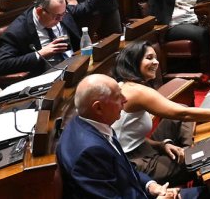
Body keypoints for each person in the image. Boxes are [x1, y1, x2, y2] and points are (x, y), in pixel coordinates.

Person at [112, 40, 210, 186]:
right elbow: (182, 114)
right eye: (149, 58)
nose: (156, 62)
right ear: (133, 62)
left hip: (143, 147)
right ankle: (194, 160)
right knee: (200, 161)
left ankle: (188, 150)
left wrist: (161, 145)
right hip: (133, 163)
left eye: (155, 57)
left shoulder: (127, 84)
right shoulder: (137, 91)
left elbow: (129, 135)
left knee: (181, 108)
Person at [57, 73, 198, 198]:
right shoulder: (89, 152)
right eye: (118, 96)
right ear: (98, 107)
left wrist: (151, 185)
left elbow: (125, 170)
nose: (125, 100)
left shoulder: (92, 124)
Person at [0, 0, 121, 79]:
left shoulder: (61, 12)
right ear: (40, 11)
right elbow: (2, 65)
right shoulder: (17, 31)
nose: (61, 19)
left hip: (76, 67)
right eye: (56, 16)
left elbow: (87, 6)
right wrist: (41, 53)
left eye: (63, 14)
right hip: (48, 78)